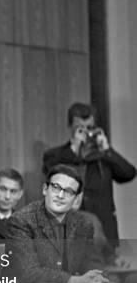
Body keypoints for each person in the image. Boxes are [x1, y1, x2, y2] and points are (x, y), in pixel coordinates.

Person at [6, 164, 127, 283]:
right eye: (56, 187)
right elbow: (29, 272)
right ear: (45, 189)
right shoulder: (21, 221)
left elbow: (93, 263)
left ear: (76, 198)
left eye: (69, 191)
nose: (60, 195)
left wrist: (96, 280)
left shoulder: (83, 224)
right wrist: (75, 281)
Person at [42, 102, 135, 243]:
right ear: (70, 127)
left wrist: (107, 150)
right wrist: (74, 149)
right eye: (80, 128)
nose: (85, 132)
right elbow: (50, 172)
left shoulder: (103, 156)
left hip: (103, 232)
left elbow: (128, 173)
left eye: (89, 128)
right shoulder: (56, 155)